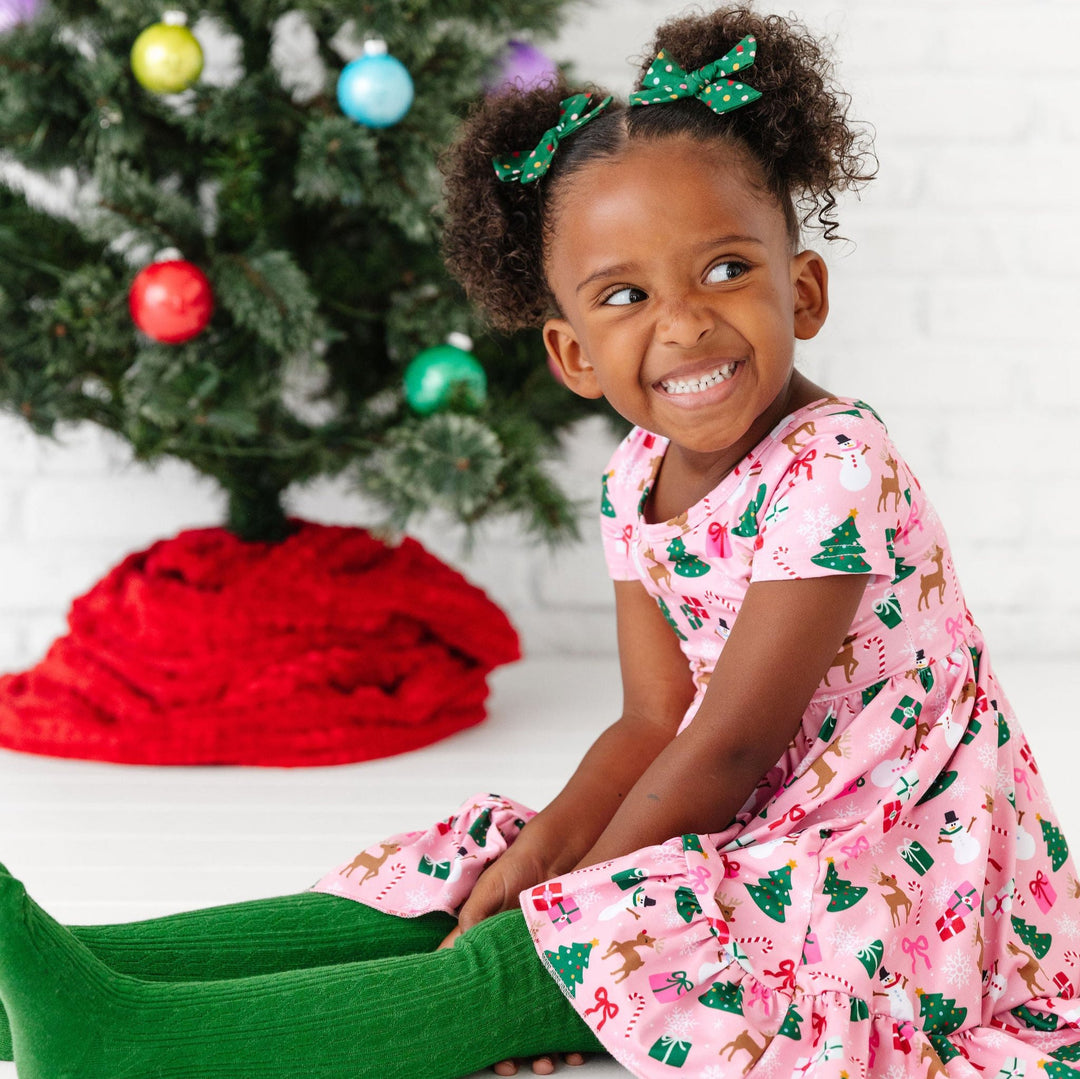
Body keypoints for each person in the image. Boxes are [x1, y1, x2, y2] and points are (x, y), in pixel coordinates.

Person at [0, 7, 1077, 1078]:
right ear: (570, 352)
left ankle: (115, 1039)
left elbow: (727, 745)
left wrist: (572, 915)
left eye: (725, 271)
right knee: (472, 875)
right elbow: (653, 718)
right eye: (625, 294)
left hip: (891, 864)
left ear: (803, 287)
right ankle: (73, 975)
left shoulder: (835, 461)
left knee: (560, 934)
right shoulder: (632, 478)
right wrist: (538, 862)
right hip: (751, 814)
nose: (687, 323)